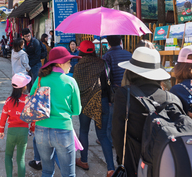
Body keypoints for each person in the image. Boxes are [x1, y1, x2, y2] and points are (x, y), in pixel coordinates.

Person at [112, 47, 175, 177]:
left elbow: (117, 132)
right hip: (164, 163)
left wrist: (121, 160)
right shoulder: (171, 98)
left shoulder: (124, 94)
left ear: (131, 71)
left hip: (134, 162)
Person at [30, 47, 81, 177]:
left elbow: (31, 100)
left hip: (41, 130)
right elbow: (77, 110)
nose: (70, 65)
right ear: (59, 63)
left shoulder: (40, 79)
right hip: (63, 131)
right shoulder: (70, 81)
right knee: (68, 174)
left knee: (47, 171)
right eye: (68, 62)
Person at [73, 40, 115, 177]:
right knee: (103, 136)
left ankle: (84, 161)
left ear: (81, 51)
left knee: (84, 131)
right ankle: (110, 169)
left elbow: (75, 87)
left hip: (84, 102)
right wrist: (109, 100)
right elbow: (108, 82)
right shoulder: (102, 63)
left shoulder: (78, 67)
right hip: (101, 101)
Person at [0, 73, 35, 177]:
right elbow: (33, 119)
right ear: (24, 87)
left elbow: (3, 118)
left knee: (8, 155)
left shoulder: (8, 101)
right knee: (21, 159)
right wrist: (32, 129)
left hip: (11, 132)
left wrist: (1, 131)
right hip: (23, 132)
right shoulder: (28, 100)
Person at [102, 35, 132, 145]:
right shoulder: (129, 54)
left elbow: (106, 76)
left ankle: (111, 140)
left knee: (113, 117)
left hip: (115, 90)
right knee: (128, 115)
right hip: (130, 89)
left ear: (108, 43)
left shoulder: (107, 56)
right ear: (120, 42)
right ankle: (126, 140)